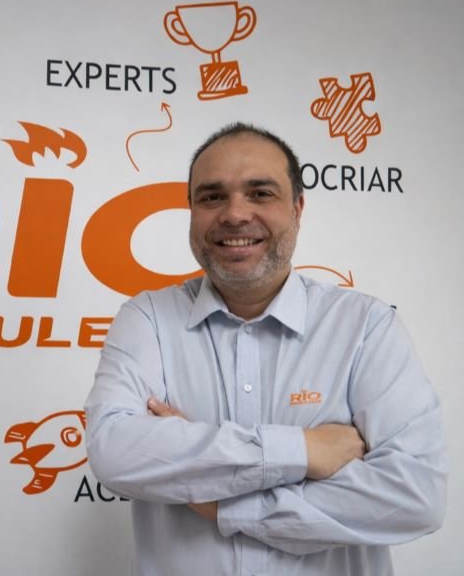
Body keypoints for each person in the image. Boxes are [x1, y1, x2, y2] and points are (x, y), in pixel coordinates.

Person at [84, 123, 447, 575]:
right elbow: (115, 453)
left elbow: (415, 496)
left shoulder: (365, 326)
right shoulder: (148, 319)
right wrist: (303, 451)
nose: (235, 214)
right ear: (192, 210)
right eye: (212, 197)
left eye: (260, 193)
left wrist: (224, 506)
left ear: (297, 209)